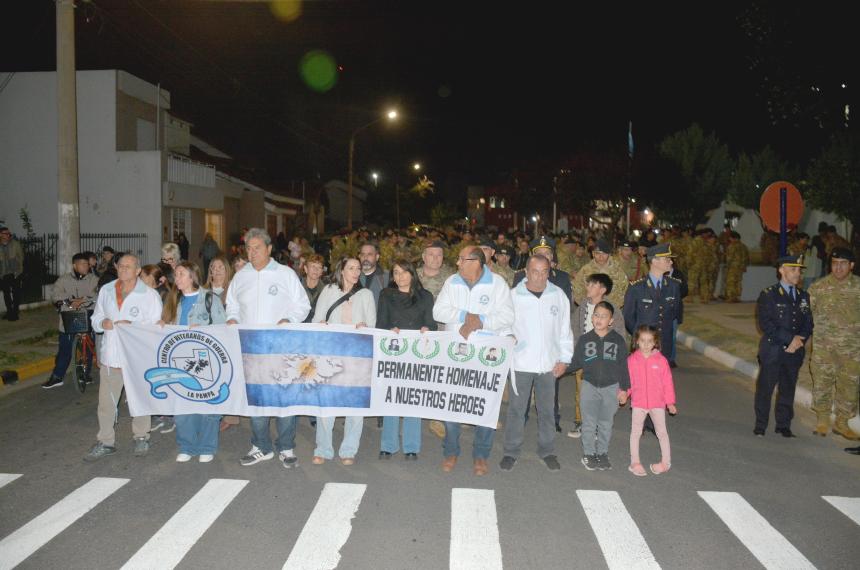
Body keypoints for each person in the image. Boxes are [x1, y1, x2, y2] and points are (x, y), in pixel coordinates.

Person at [226, 227, 310, 468]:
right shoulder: (241, 276)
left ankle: (286, 446)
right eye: (248, 249)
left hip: (282, 348)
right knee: (257, 399)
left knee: (284, 398)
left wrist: (290, 320)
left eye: (257, 248)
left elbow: (302, 305)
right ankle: (261, 446)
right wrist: (232, 317)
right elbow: (231, 304)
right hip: (251, 348)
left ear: (269, 249)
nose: (252, 253)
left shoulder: (285, 274)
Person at [433, 245, 515, 476]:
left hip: (485, 357)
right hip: (455, 355)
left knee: (486, 406)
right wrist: (463, 316)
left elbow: (508, 316)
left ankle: (481, 455)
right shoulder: (452, 282)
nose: (457, 263)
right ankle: (451, 451)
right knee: (452, 405)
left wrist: (480, 321)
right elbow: (438, 312)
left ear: (476, 262)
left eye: (461, 259)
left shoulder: (497, 284)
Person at [83, 253, 163, 462]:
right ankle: (106, 441)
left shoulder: (149, 295)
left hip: (137, 358)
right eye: (120, 266)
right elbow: (96, 317)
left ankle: (141, 436)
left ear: (138, 271)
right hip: (112, 356)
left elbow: (156, 328)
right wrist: (103, 324)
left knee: (140, 400)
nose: (123, 269)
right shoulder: (107, 290)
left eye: (128, 267)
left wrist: (133, 327)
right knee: (106, 403)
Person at [500, 255, 572, 472]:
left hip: (549, 365)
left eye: (544, 272)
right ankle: (511, 452)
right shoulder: (513, 296)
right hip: (521, 363)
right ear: (526, 272)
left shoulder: (558, 296)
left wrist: (565, 359)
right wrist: (509, 339)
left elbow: (564, 331)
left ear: (549, 272)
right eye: (535, 271)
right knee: (516, 410)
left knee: (547, 410)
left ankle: (547, 450)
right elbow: (503, 326)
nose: (540, 277)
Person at [159, 261, 228, 462]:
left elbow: (223, 328)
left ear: (192, 277)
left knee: (207, 402)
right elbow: (168, 324)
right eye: (176, 274)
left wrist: (205, 329)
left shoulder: (209, 299)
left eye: (181, 274)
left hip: (205, 359)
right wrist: (163, 324)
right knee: (182, 402)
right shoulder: (173, 299)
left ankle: (207, 446)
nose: (176, 278)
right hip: (179, 359)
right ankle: (187, 446)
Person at [312, 256, 376, 465]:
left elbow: (372, 325)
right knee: (327, 404)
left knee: (355, 405)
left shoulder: (366, 294)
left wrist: (364, 327)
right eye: (351, 268)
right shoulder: (329, 291)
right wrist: (321, 324)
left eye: (358, 268)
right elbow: (317, 320)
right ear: (342, 270)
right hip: (331, 355)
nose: (356, 272)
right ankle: (323, 448)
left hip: (357, 356)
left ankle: (349, 449)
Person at [377, 259, 436, 460]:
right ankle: (388, 445)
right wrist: (388, 330)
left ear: (412, 274)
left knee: (412, 399)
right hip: (393, 353)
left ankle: (411, 446)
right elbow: (380, 323)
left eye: (404, 272)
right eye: (395, 272)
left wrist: (427, 329)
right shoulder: (386, 295)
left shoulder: (425, 297)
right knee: (392, 398)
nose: (399, 276)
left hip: (416, 355)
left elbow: (432, 324)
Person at [753, 255, 814, 438]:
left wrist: (799, 341)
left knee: (788, 388)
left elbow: (808, 323)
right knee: (765, 388)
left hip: (794, 352)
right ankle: (761, 425)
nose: (798, 273)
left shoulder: (804, 296)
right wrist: (790, 340)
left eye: (799, 270)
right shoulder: (768, 294)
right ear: (781, 270)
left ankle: (783, 424)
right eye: (793, 269)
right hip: (773, 350)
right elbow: (766, 324)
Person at [570, 301, 630, 471]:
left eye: (604, 316)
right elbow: (576, 362)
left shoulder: (617, 340)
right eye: (596, 315)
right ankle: (589, 454)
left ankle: (602, 453)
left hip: (611, 388)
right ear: (592, 317)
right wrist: (561, 369)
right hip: (589, 386)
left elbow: (623, 367)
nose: (599, 319)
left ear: (611, 321)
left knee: (605, 423)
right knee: (588, 422)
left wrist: (624, 389)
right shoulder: (585, 339)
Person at [808, 248, 860, 440]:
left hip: (853, 351)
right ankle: (822, 419)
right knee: (822, 383)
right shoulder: (818, 287)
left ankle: (842, 422)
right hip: (824, 350)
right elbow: (805, 317)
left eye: (843, 264)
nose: (838, 268)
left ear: (851, 266)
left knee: (850, 386)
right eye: (835, 263)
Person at [568, 273, 627, 438]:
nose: (588, 287)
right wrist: (574, 352)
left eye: (593, 285)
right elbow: (574, 329)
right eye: (588, 284)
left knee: (601, 393)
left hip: (604, 360)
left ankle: (597, 425)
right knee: (581, 392)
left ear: (603, 289)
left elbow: (620, 335)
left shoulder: (611, 309)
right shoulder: (583, 307)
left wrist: (616, 358)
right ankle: (581, 422)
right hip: (585, 356)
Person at [43, 252, 98, 389]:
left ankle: (86, 373)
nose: (86, 266)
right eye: (82, 264)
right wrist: (69, 302)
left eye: (87, 264)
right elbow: (55, 295)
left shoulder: (93, 279)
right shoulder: (63, 280)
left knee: (88, 347)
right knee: (65, 349)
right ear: (74, 265)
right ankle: (57, 376)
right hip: (68, 317)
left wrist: (82, 301)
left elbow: (97, 294)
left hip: (87, 315)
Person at [627, 325, 676, 476]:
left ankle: (665, 462)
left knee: (662, 433)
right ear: (636, 341)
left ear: (655, 342)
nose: (646, 344)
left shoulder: (661, 361)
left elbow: (668, 382)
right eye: (643, 340)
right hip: (638, 403)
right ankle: (635, 462)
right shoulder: (631, 360)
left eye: (650, 341)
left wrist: (670, 402)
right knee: (635, 432)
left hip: (658, 404)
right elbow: (628, 381)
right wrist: (623, 394)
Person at [622, 244, 683, 365]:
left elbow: (676, 314)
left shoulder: (674, 286)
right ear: (654, 261)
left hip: (664, 345)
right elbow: (628, 317)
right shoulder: (637, 288)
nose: (671, 262)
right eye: (667, 259)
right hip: (642, 345)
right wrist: (641, 336)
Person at [572, 238, 628, 309]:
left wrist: (611, 308)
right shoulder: (586, 270)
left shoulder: (617, 270)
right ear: (593, 254)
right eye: (597, 253)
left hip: (612, 310)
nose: (601, 257)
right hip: (590, 309)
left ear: (609, 254)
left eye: (604, 254)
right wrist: (587, 305)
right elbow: (576, 289)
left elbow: (625, 291)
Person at [0, 227, 24, 321]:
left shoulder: (15, 244)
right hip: (3, 273)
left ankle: (15, 312)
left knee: (16, 293)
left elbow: (21, 256)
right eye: (5, 233)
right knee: (6, 294)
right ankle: (9, 311)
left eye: (8, 233)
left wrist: (19, 270)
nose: (8, 235)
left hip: (15, 273)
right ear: (0, 234)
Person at [724, 232, 750, 303]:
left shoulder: (732, 246)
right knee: (738, 282)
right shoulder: (744, 246)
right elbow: (747, 258)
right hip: (740, 268)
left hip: (733, 267)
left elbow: (729, 258)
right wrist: (744, 266)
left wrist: (727, 266)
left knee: (730, 282)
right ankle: (737, 297)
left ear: (732, 238)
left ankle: (731, 297)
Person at [300, 254, 326, 323]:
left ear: (322, 272)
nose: (316, 269)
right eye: (313, 266)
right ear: (306, 269)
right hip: (298, 326)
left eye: (319, 267)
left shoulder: (326, 290)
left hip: (317, 327)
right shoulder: (297, 286)